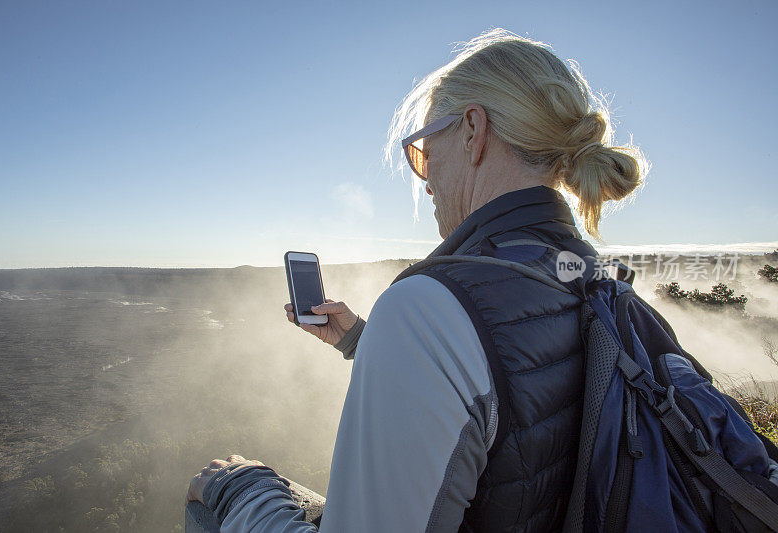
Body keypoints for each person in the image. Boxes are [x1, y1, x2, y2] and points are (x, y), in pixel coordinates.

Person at [186, 28, 646, 532]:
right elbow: (521, 388)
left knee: (224, 488)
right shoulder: (593, 276)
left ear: (473, 130)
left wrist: (241, 493)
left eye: (424, 150)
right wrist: (368, 341)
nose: (425, 179)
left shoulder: (431, 307)